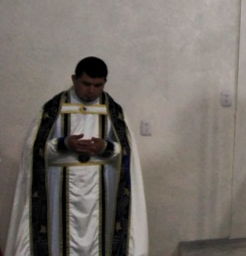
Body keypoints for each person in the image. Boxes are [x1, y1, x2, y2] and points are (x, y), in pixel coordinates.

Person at [5, 56, 148, 256]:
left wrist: (105, 147)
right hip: (58, 194)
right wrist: (64, 144)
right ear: (74, 79)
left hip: (101, 192)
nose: (91, 91)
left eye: (98, 85)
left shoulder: (113, 111)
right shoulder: (53, 109)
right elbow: (33, 150)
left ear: (105, 82)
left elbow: (127, 154)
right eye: (86, 84)